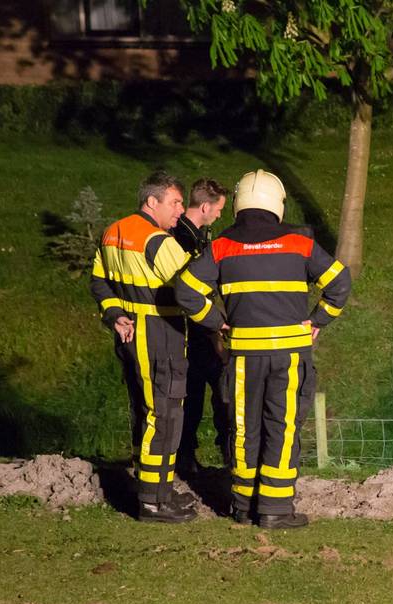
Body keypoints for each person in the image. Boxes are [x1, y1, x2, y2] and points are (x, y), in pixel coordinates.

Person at [175, 170, 351, 529]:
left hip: (243, 359)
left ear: (238, 204)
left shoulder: (222, 245)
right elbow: (339, 282)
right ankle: (275, 509)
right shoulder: (300, 242)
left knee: (244, 429)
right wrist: (318, 320)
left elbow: (186, 291)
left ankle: (242, 506)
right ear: (278, 203)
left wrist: (217, 321)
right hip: (289, 356)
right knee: (282, 427)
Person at [88, 171, 196, 523]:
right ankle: (153, 501)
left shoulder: (113, 232)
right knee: (165, 414)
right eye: (175, 202)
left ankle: (156, 490)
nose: (181, 210)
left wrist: (114, 314)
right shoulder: (158, 241)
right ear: (152, 201)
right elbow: (193, 287)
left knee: (145, 412)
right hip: (160, 334)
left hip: (129, 333)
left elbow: (98, 281)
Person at [172, 178, 230, 476]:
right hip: (188, 331)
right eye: (218, 209)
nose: (220, 215)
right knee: (192, 397)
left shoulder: (196, 237)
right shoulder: (180, 239)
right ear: (205, 207)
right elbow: (186, 291)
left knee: (216, 390)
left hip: (202, 328)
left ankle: (219, 454)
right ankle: (187, 458)